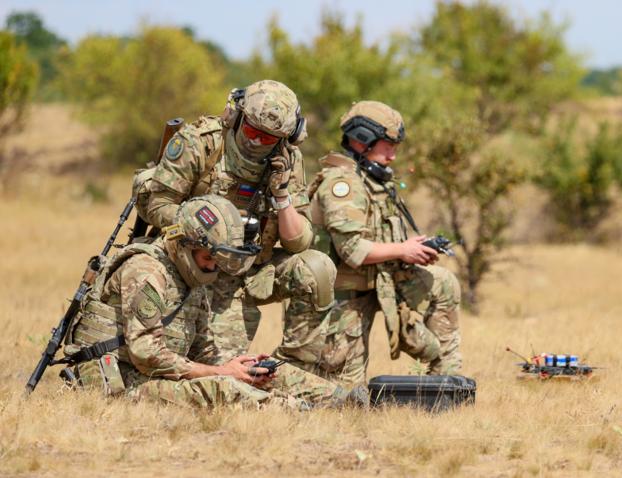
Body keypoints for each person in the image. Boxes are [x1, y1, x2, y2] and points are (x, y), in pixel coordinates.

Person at [62, 195, 350, 408]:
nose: (214, 267)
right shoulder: (146, 270)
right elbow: (146, 354)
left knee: (263, 373)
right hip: (120, 380)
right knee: (224, 391)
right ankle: (294, 411)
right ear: (186, 245)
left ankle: (344, 401)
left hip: (156, 374)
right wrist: (223, 372)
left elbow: (203, 348)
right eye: (209, 258)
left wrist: (239, 365)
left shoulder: (193, 277)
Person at [142, 80, 336, 365]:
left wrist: (281, 195)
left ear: (286, 137)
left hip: (250, 268)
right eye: (252, 130)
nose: (257, 141)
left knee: (316, 267)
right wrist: (204, 231)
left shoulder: (287, 160)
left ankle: (293, 367)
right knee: (220, 367)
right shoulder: (201, 141)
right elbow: (157, 205)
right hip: (196, 265)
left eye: (268, 138)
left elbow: (299, 241)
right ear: (236, 116)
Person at [279, 101, 463, 386]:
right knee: (342, 392)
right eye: (387, 145)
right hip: (340, 298)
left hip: (377, 283)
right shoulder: (344, 184)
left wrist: (409, 246)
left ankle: (447, 386)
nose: (393, 155)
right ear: (361, 140)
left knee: (443, 283)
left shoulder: (372, 180)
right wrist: (403, 250)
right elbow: (352, 251)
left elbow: (376, 236)